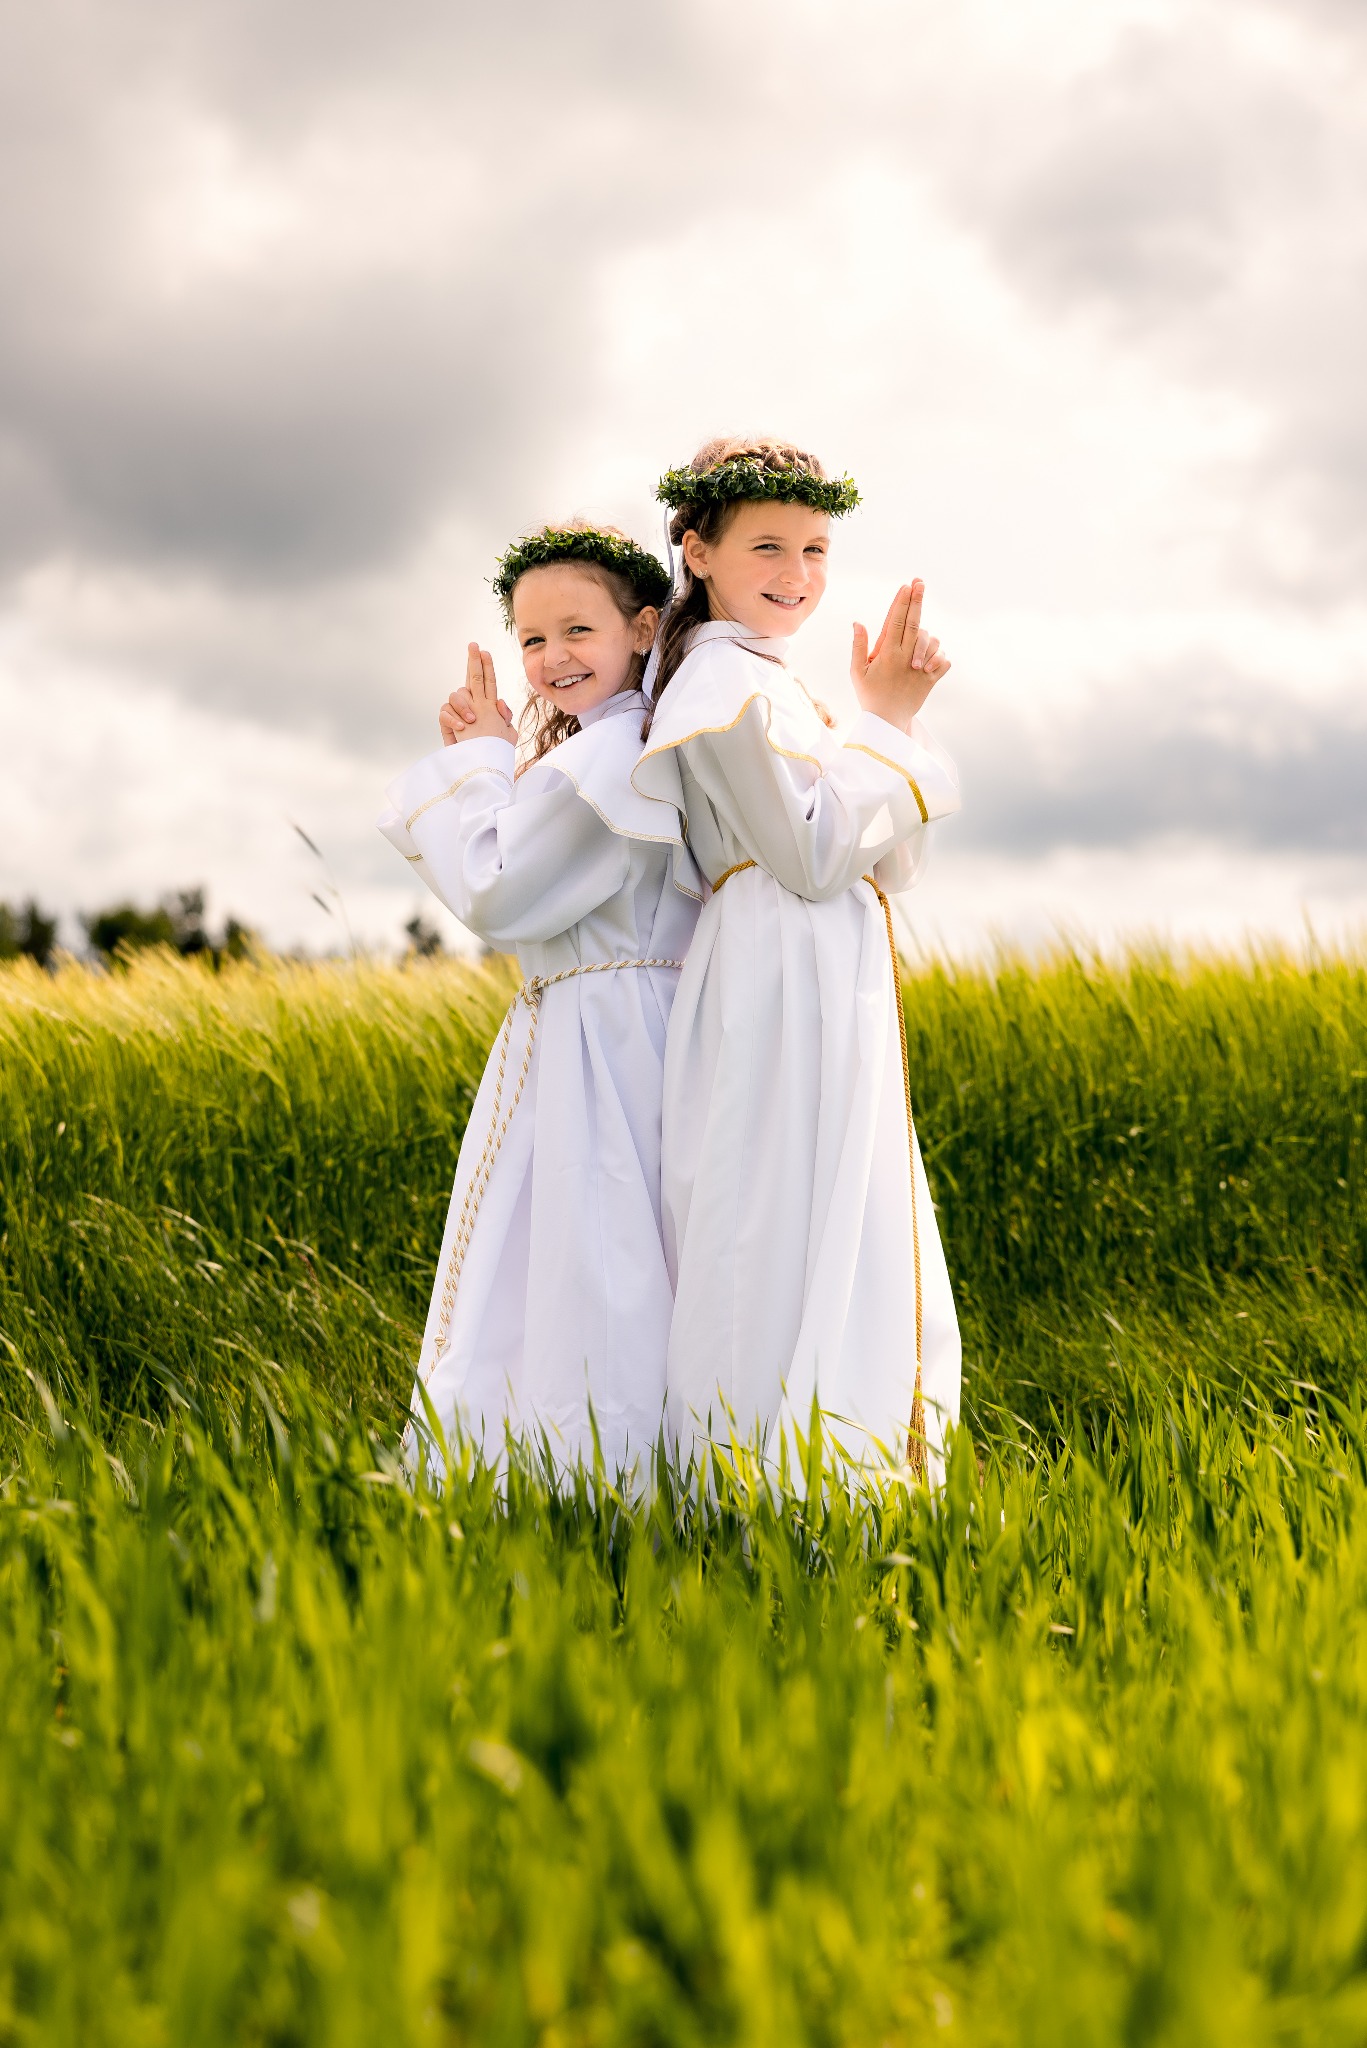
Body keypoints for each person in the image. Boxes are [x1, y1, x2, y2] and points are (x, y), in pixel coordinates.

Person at [631, 437, 962, 1482]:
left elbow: (888, 864)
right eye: (767, 544)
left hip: (826, 969)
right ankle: (759, 1476)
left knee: (832, 1207)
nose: (797, 573)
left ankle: (840, 1463)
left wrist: (876, 722)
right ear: (697, 550)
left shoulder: (781, 685)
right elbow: (812, 851)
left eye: (816, 548)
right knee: (771, 1208)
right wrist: (890, 725)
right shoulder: (719, 678)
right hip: (776, 976)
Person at [379, 523, 701, 1480]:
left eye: (576, 630)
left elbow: (500, 889)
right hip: (598, 1025)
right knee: (578, 1259)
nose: (551, 658)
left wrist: (480, 762)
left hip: (610, 1041)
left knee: (595, 1258)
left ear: (644, 627)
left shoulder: (615, 757)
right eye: (530, 639)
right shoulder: (609, 747)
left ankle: (595, 1479)